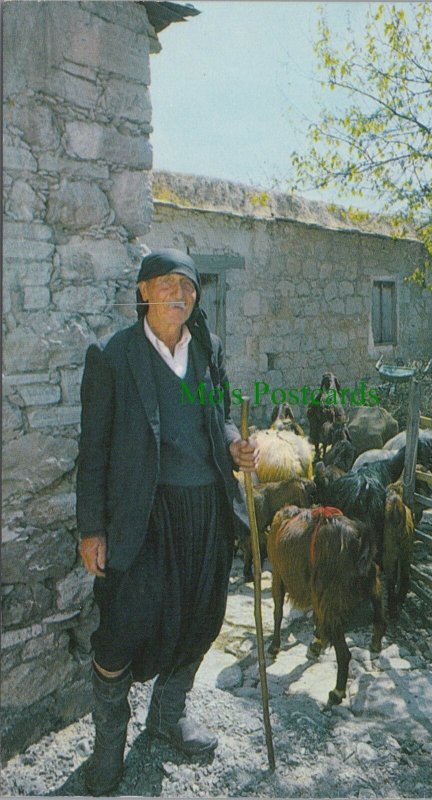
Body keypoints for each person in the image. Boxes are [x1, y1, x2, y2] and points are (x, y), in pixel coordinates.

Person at [76, 248, 258, 796]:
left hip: (204, 510)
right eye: (168, 284)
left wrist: (234, 447)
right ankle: (108, 749)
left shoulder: (207, 349)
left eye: (189, 287)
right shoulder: (112, 356)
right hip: (142, 515)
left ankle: (167, 715)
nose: (180, 295)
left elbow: (219, 415)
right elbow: (93, 449)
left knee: (202, 616)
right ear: (144, 292)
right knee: (123, 629)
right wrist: (91, 528)